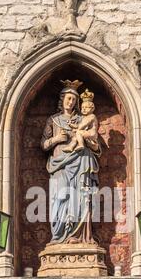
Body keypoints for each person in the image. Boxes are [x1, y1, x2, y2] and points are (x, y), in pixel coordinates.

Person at [41, 80, 101, 244]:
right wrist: (56, 139)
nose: (71, 102)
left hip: (81, 160)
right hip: (59, 163)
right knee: (60, 197)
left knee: (82, 197)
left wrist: (86, 140)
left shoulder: (84, 119)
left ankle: (81, 237)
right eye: (68, 99)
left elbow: (96, 146)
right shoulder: (53, 120)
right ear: (62, 100)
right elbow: (44, 145)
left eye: (74, 100)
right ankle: (60, 235)